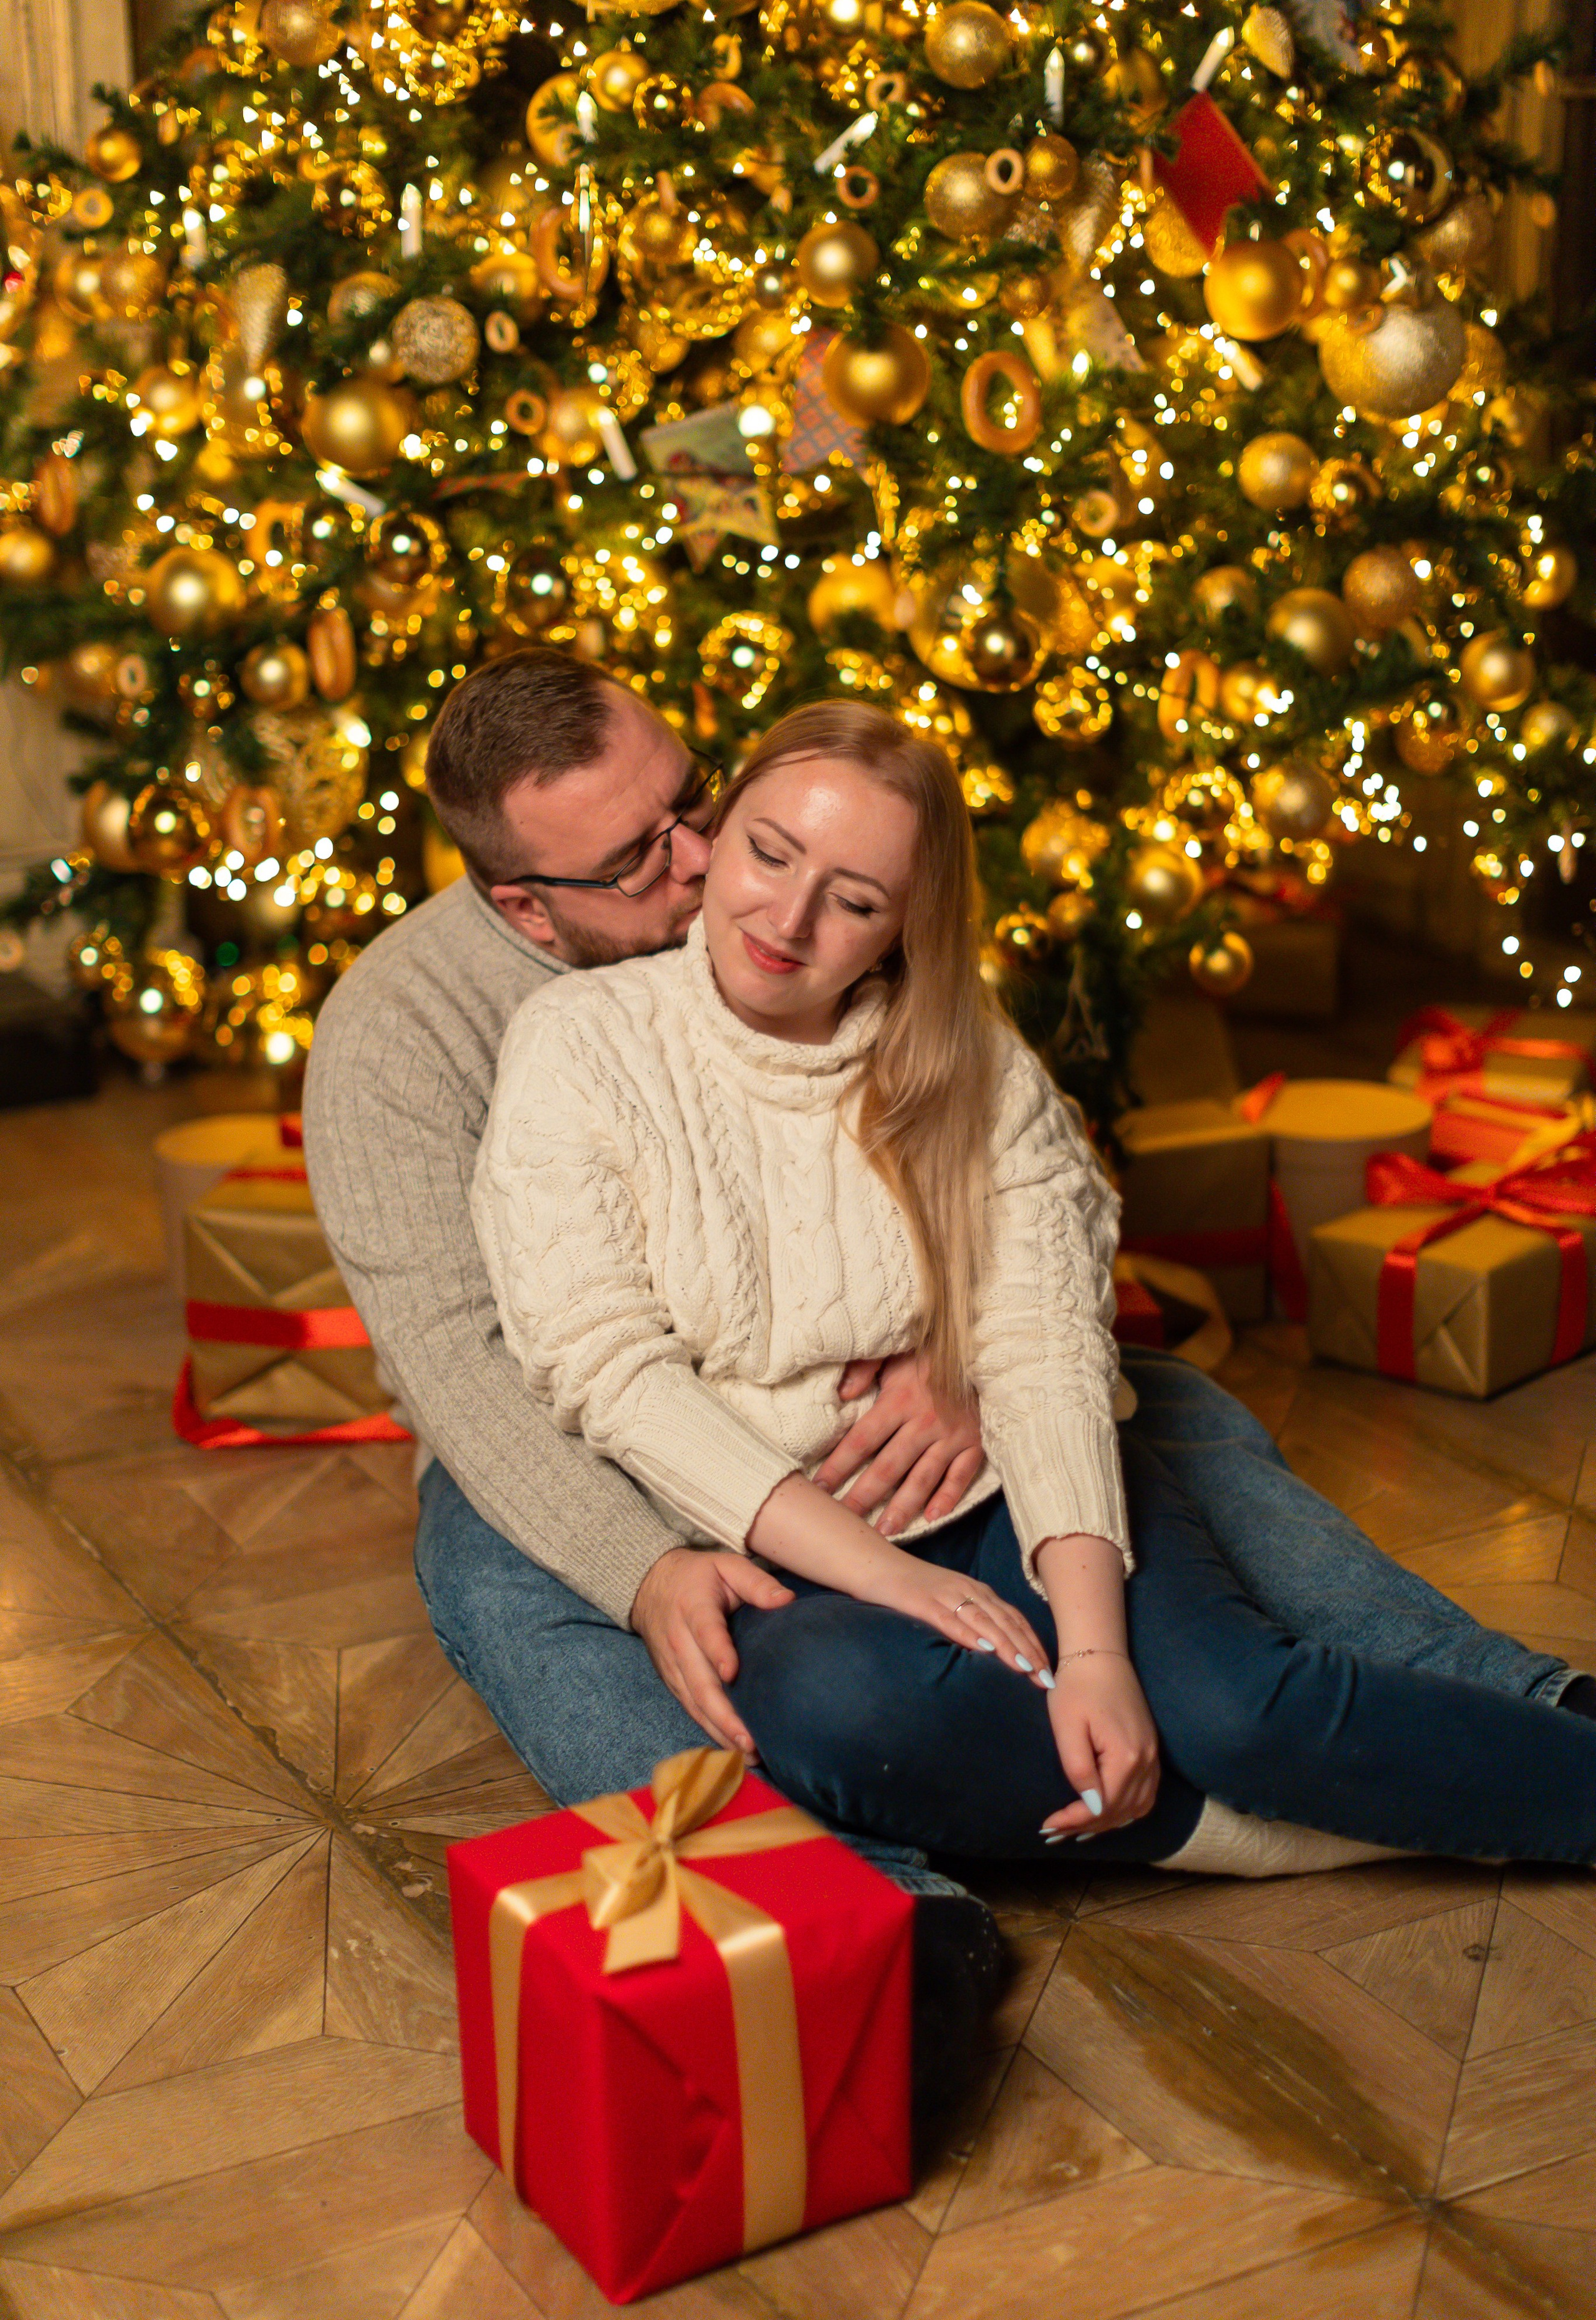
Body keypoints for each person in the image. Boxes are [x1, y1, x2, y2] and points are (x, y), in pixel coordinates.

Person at [469, 695, 1596, 1874]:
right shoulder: (579, 1042)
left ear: (906, 926)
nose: (788, 920)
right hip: (796, 1541)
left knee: (1240, 1709)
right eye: (766, 852)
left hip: (1014, 1477)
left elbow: (1045, 1342)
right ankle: (1245, 1833)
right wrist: (895, 1582)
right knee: (842, 1714)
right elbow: (611, 1372)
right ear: (718, 830)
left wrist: (1099, 1657)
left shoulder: (966, 1055)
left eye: (854, 901)